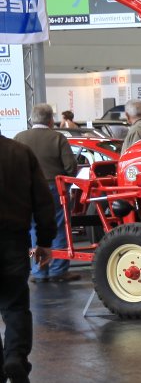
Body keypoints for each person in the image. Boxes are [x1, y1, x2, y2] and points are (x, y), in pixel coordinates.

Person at [1, 126, 55, 383]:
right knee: (15, 305)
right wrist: (44, 240)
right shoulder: (20, 152)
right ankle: (15, 358)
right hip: (12, 240)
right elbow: (43, 201)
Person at [15, 104, 74, 282]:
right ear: (50, 120)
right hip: (53, 188)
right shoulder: (58, 138)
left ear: (32, 119)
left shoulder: (19, 138)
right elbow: (70, 167)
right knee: (59, 227)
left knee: (33, 228)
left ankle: (39, 271)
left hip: (26, 189)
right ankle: (58, 270)